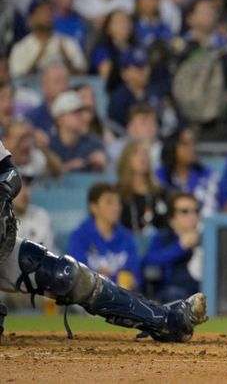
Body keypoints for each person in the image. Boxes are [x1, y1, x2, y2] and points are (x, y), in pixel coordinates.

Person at [0, 141, 206, 341]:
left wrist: (4, 191)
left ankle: (166, 320)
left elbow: (9, 172)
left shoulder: (123, 236)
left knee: (66, 274)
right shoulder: (83, 234)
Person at [142, 192, 202, 303]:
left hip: (204, 292)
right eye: (185, 211)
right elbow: (149, 262)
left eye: (196, 211)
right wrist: (180, 247)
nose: (192, 216)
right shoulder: (164, 237)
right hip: (173, 293)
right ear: (171, 218)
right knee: (174, 294)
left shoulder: (207, 239)